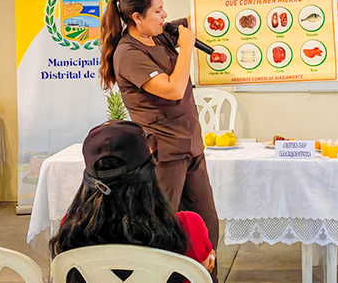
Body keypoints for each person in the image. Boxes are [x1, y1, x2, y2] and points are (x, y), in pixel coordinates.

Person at [98, 0, 268, 281]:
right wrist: (187, 48)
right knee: (161, 227)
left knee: (206, 222)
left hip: (191, 146)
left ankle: (205, 278)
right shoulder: (129, 53)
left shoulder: (161, 34)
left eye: (164, 10)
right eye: (158, 11)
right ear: (137, 17)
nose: (165, 16)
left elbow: (211, 13)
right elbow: (174, 89)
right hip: (162, 153)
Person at [49, 120, 216, 283]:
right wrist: (203, 266)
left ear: (89, 179)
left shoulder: (72, 229)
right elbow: (199, 273)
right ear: (149, 171)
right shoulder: (189, 226)